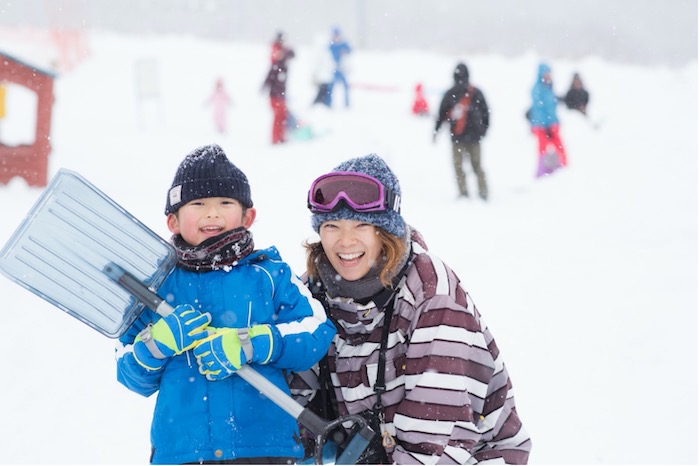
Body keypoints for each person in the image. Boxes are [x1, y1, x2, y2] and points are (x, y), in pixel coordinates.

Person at [290, 154, 532, 464]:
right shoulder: (310, 293)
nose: (345, 241)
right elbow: (292, 401)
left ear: (384, 232)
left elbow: (435, 440)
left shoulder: (431, 293)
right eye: (332, 226)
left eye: (361, 225)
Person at [115, 144, 336, 464]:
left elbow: (315, 332)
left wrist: (251, 344)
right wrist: (156, 344)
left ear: (248, 216)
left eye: (225, 202)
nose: (212, 213)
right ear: (173, 221)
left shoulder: (269, 275)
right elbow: (130, 372)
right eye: (198, 203)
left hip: (264, 449)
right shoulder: (156, 287)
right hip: (183, 451)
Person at [434, 62, 490, 200]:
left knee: (458, 167)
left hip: (457, 137)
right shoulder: (476, 92)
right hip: (473, 137)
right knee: (476, 165)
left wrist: (436, 131)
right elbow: (486, 113)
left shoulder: (450, 93)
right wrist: (483, 130)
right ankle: (482, 192)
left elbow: (441, 115)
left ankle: (464, 192)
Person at [527, 63, 568, 177]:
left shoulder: (549, 87)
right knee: (543, 149)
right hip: (542, 125)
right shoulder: (537, 89)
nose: (548, 76)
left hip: (552, 123)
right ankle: (541, 173)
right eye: (546, 73)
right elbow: (538, 109)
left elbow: (552, 107)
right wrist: (545, 126)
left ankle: (563, 169)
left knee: (559, 146)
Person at [262, 31, 295, 144]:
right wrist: (264, 87)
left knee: (282, 115)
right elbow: (269, 77)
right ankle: (275, 138)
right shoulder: (276, 63)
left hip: (280, 93)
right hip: (275, 94)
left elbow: (293, 54)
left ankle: (280, 137)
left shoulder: (283, 57)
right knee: (278, 116)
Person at [328, 27, 352, 108]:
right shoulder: (330, 46)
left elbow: (350, 51)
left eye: (337, 35)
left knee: (346, 87)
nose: (336, 38)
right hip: (333, 70)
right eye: (335, 36)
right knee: (331, 88)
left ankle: (347, 104)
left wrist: (345, 52)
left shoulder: (344, 45)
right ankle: (329, 104)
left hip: (342, 70)